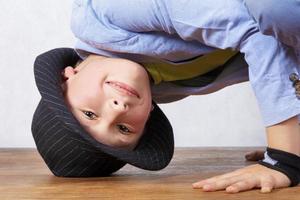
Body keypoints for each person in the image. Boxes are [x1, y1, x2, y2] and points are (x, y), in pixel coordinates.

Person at [31, 0, 300, 194]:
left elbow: (256, 30)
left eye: (89, 114)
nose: (118, 109)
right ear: (146, 121)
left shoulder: (106, 14)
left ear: (66, 76)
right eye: (123, 129)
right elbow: (287, 52)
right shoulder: (164, 86)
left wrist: (284, 156)